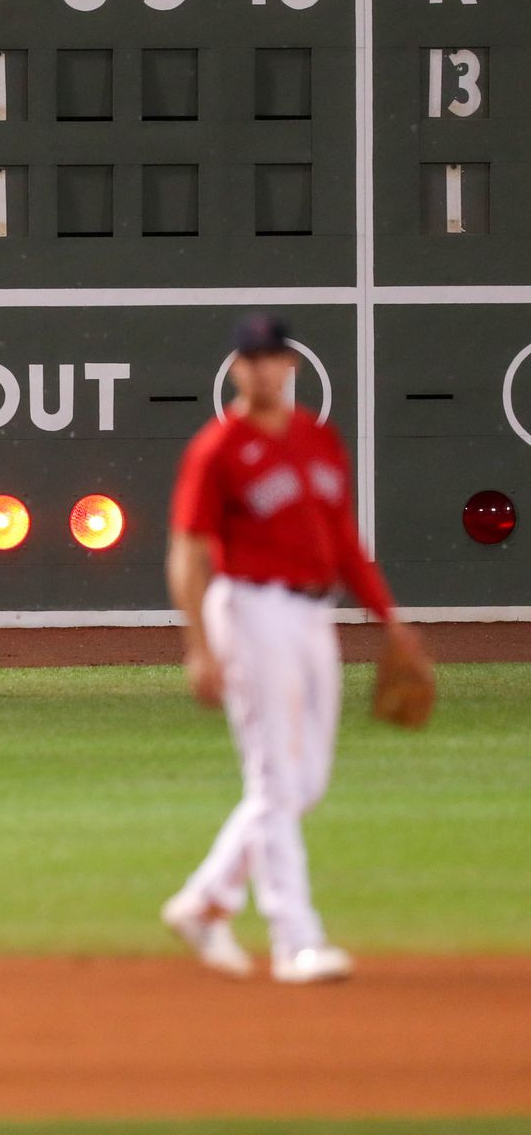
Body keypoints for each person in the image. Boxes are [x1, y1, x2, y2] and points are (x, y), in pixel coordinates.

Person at [163, 312, 425, 984]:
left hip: (314, 616)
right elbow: (187, 553)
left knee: (304, 782)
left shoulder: (316, 438)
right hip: (250, 609)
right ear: (236, 369)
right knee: (276, 777)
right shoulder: (217, 449)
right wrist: (199, 647)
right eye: (250, 359)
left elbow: (341, 540)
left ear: (291, 367)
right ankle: (295, 939)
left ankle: (206, 899)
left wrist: (389, 619)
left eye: (273, 357)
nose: (261, 368)